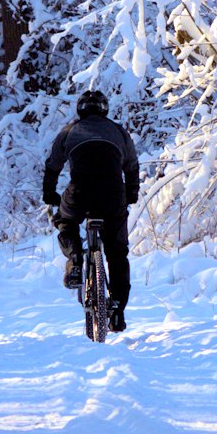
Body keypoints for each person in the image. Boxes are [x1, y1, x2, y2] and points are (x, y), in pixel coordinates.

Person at [43, 89, 139, 333]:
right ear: (105, 110)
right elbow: (132, 166)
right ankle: (117, 310)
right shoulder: (118, 131)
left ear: (80, 110)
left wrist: (49, 194)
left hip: (80, 191)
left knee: (65, 220)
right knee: (117, 253)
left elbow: (52, 165)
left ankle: (75, 258)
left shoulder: (70, 130)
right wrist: (131, 194)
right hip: (113, 193)